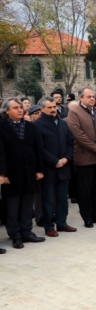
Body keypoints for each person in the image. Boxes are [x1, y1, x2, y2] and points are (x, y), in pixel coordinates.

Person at [0, 98, 45, 249]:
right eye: (15, 108)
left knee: (27, 204)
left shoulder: (30, 126)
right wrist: (2, 174)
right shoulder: (1, 127)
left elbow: (37, 149)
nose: (20, 110)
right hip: (11, 174)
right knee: (12, 207)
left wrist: (39, 170)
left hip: (29, 172)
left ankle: (27, 232)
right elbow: (1, 153)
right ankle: (15, 235)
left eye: (20, 107)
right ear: (7, 111)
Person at [67, 87, 96, 228]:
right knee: (85, 189)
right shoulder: (74, 113)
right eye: (89, 96)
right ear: (80, 98)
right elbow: (78, 135)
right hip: (85, 157)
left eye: (93, 96)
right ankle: (87, 218)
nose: (92, 98)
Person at [33, 96, 76, 237]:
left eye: (54, 106)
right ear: (41, 109)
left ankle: (62, 222)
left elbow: (70, 142)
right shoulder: (37, 125)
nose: (53, 109)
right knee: (48, 200)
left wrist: (66, 158)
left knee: (63, 198)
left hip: (64, 166)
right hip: (48, 168)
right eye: (49, 107)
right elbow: (39, 148)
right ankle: (48, 226)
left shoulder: (62, 123)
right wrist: (54, 161)